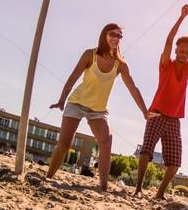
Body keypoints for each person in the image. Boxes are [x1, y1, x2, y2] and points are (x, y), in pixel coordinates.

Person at [47, 23, 151, 191]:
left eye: (119, 36)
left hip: (98, 110)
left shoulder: (121, 65)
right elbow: (74, 76)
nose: (116, 38)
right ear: (104, 35)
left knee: (106, 141)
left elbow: (133, 88)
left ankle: (103, 187)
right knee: (65, 144)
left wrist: (145, 112)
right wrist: (62, 99)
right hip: (77, 103)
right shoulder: (90, 55)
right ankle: (48, 177)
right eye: (112, 34)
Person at [134, 5, 188, 199]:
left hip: (174, 120)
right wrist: (181, 17)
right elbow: (169, 40)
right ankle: (138, 188)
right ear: (177, 49)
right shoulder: (166, 64)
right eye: (181, 50)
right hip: (157, 114)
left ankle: (159, 194)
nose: (184, 53)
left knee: (175, 163)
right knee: (146, 151)